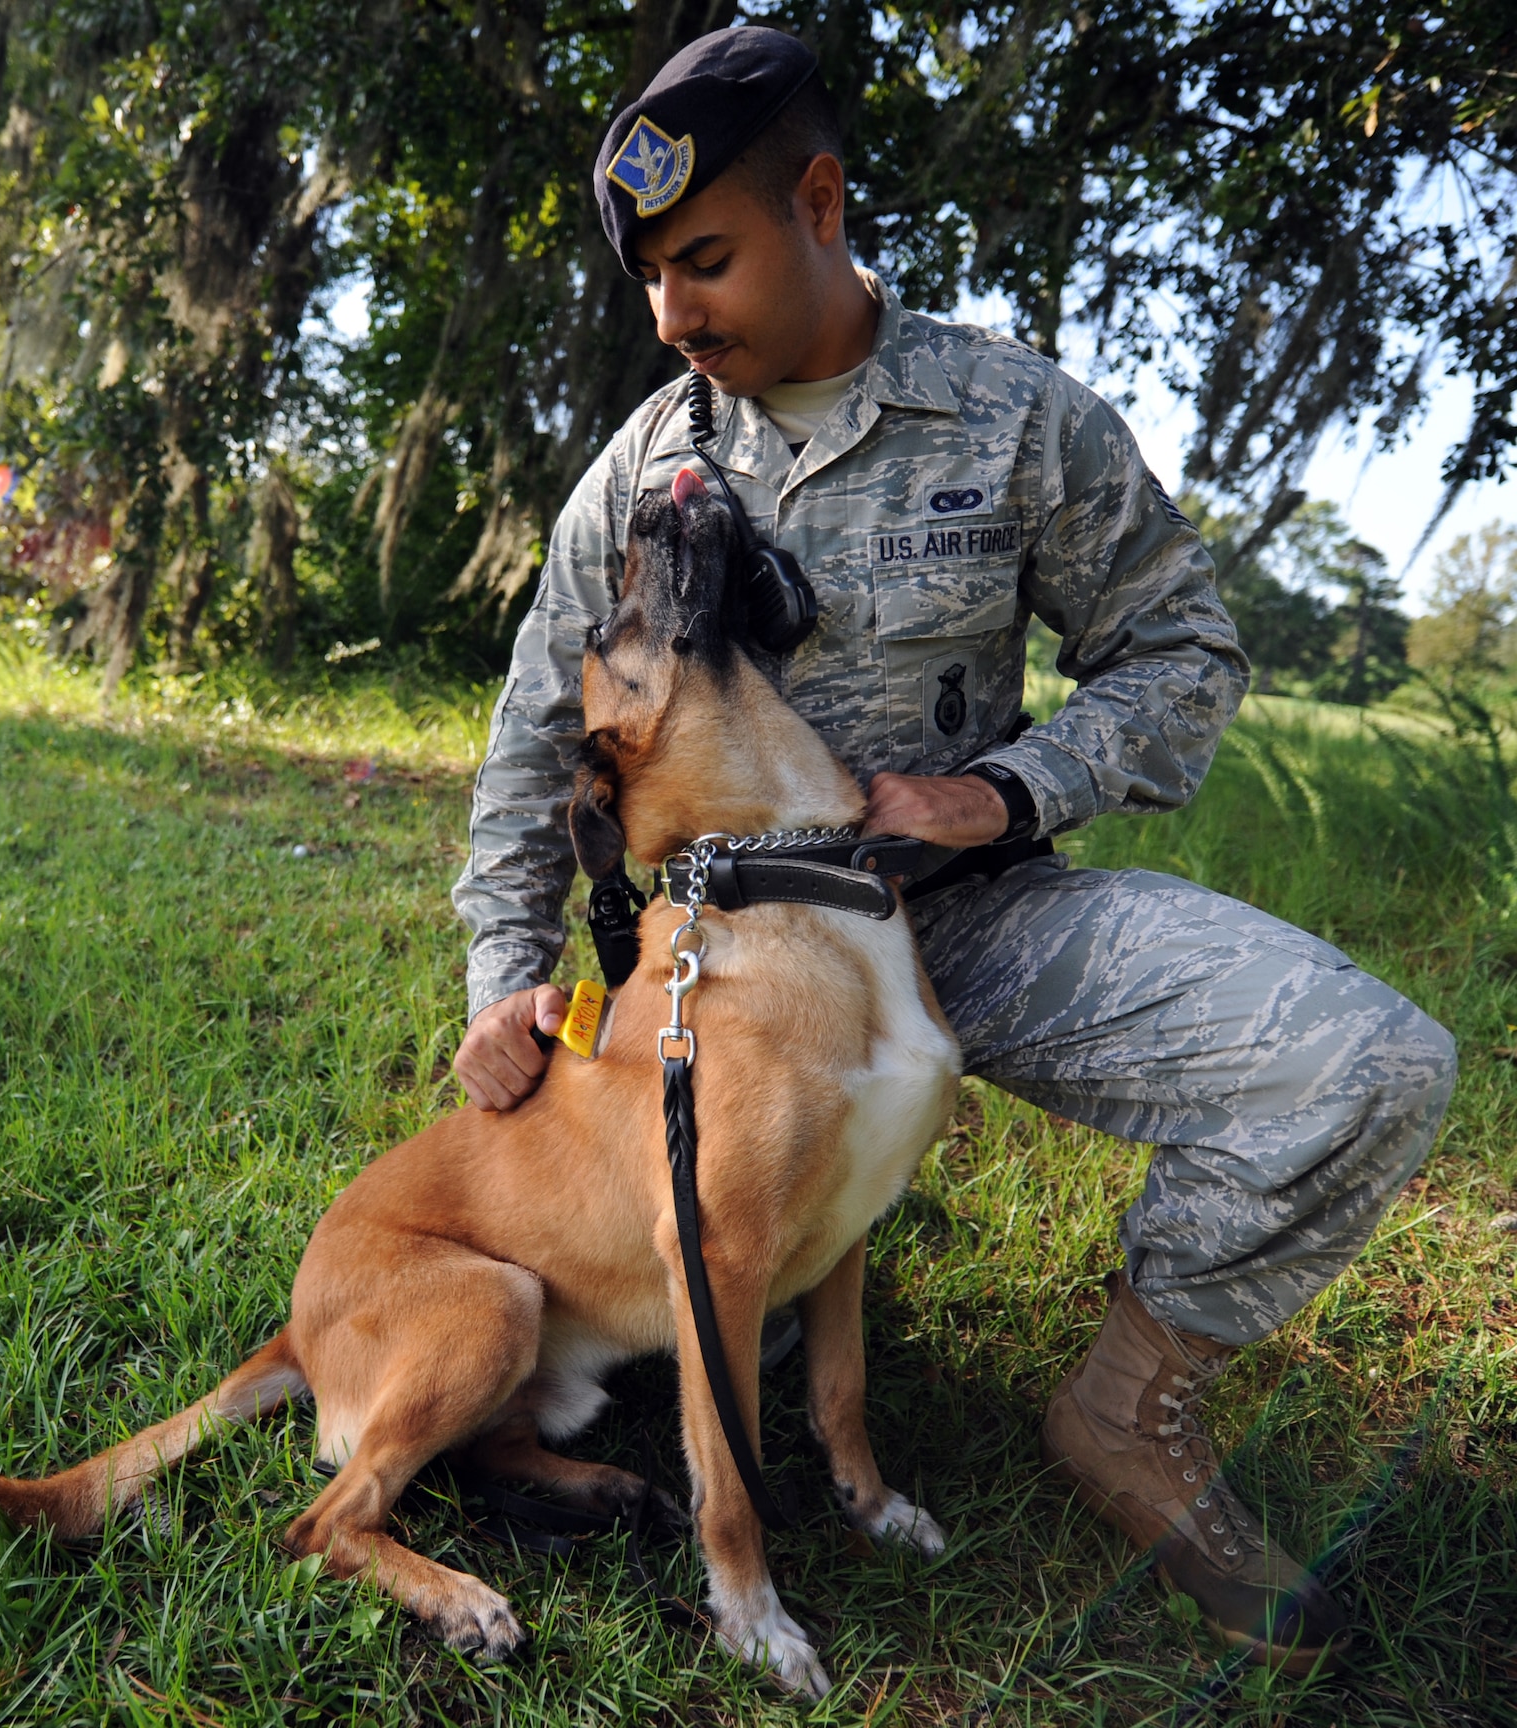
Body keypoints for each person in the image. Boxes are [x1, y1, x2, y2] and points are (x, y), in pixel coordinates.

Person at [449, 25, 1455, 1675]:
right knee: (706, 1323)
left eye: (704, 261)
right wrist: (507, 979)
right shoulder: (649, 463)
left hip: (970, 925)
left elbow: (1184, 653)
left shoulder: (1015, 414)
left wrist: (1003, 791)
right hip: (730, 992)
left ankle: (1133, 1407)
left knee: (1369, 1062)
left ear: (824, 201)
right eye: (650, 283)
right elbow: (532, 746)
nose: (673, 317)